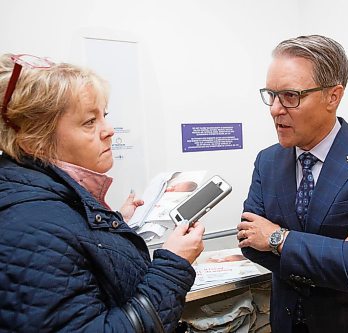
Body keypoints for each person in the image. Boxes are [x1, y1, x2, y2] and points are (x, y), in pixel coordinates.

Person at [0, 54, 205, 332]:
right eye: (89, 122)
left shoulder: (46, 200)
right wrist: (173, 266)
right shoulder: (31, 227)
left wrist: (115, 223)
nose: (108, 131)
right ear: (35, 141)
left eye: (103, 116)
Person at [237, 35, 348, 333]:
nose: (275, 109)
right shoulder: (268, 161)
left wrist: (280, 240)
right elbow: (250, 241)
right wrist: (342, 254)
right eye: (271, 94)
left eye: (290, 96)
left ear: (333, 96)